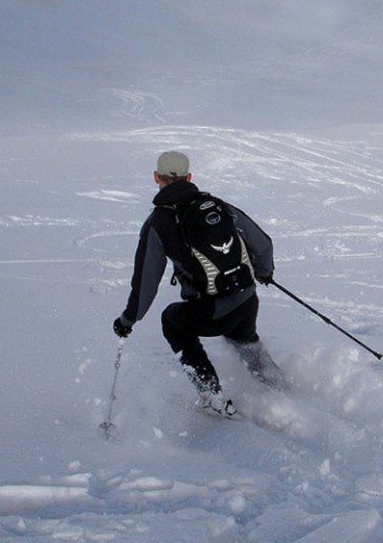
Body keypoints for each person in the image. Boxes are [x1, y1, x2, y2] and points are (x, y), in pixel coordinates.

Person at [113, 151, 285, 417]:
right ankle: (281, 387)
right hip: (246, 298)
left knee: (172, 321)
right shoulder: (215, 204)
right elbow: (262, 243)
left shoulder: (157, 223)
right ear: (189, 177)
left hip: (211, 310)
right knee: (243, 338)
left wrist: (128, 320)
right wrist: (264, 273)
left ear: (156, 177)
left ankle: (211, 394)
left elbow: (146, 282)